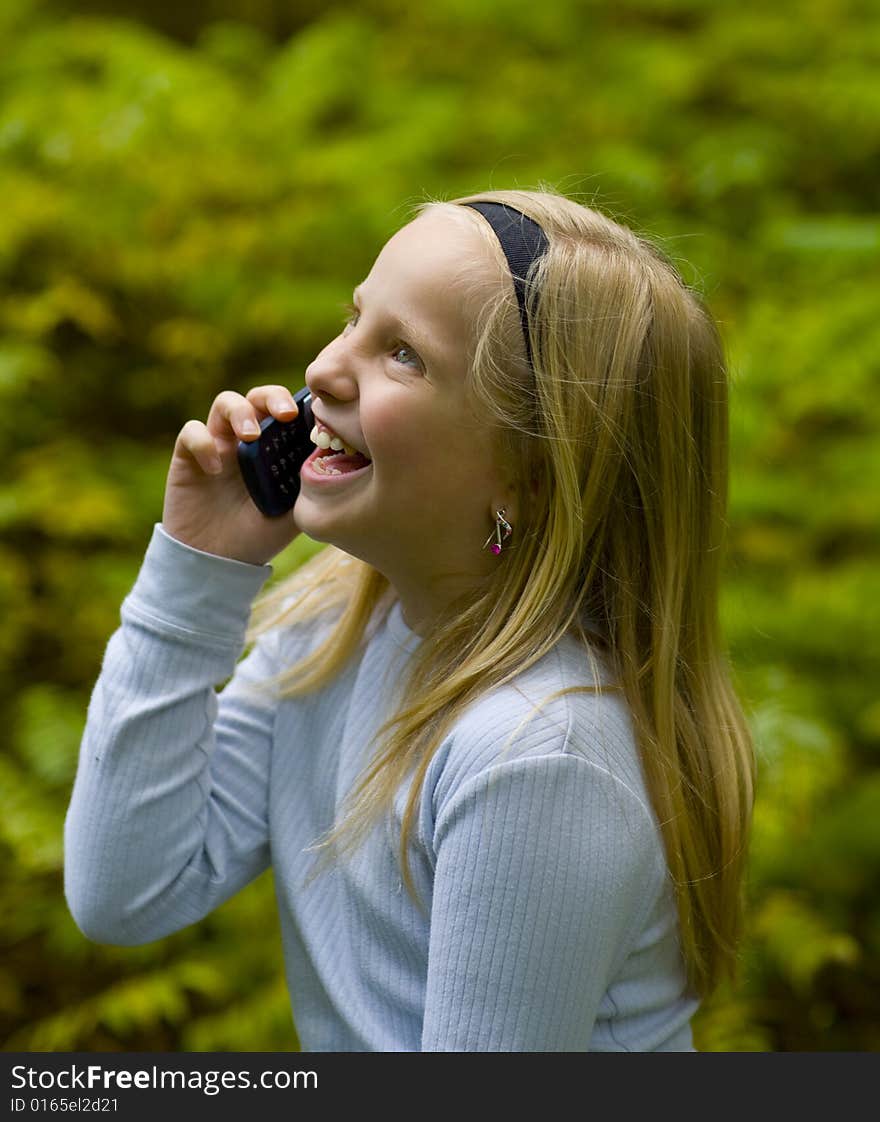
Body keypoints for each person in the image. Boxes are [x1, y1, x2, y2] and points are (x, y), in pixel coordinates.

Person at [64, 188, 756, 1052]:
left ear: (531, 478)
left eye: (403, 355)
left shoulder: (536, 754)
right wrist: (198, 568)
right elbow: (126, 891)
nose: (323, 370)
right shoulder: (330, 632)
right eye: (354, 319)